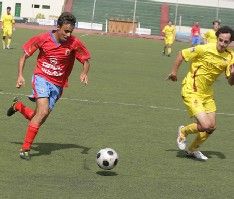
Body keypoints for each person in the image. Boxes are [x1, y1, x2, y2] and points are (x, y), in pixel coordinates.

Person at [6, 12, 91, 160]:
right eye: (65, 31)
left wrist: (84, 73)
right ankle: (25, 149)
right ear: (58, 27)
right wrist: (20, 75)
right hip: (41, 78)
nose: (68, 34)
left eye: (71, 31)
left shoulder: (74, 43)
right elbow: (24, 56)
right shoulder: (43, 39)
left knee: (39, 116)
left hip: (58, 85)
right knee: (43, 111)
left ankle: (18, 106)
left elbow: (86, 60)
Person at [167, 26, 234, 160]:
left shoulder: (230, 57)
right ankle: (183, 131)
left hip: (207, 94)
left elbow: (231, 82)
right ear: (217, 38)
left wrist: (233, 74)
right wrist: (174, 73)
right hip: (191, 90)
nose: (222, 44)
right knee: (205, 125)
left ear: (230, 42)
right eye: (220, 40)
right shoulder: (204, 49)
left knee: (211, 127)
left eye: (226, 42)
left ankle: (192, 149)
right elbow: (182, 54)